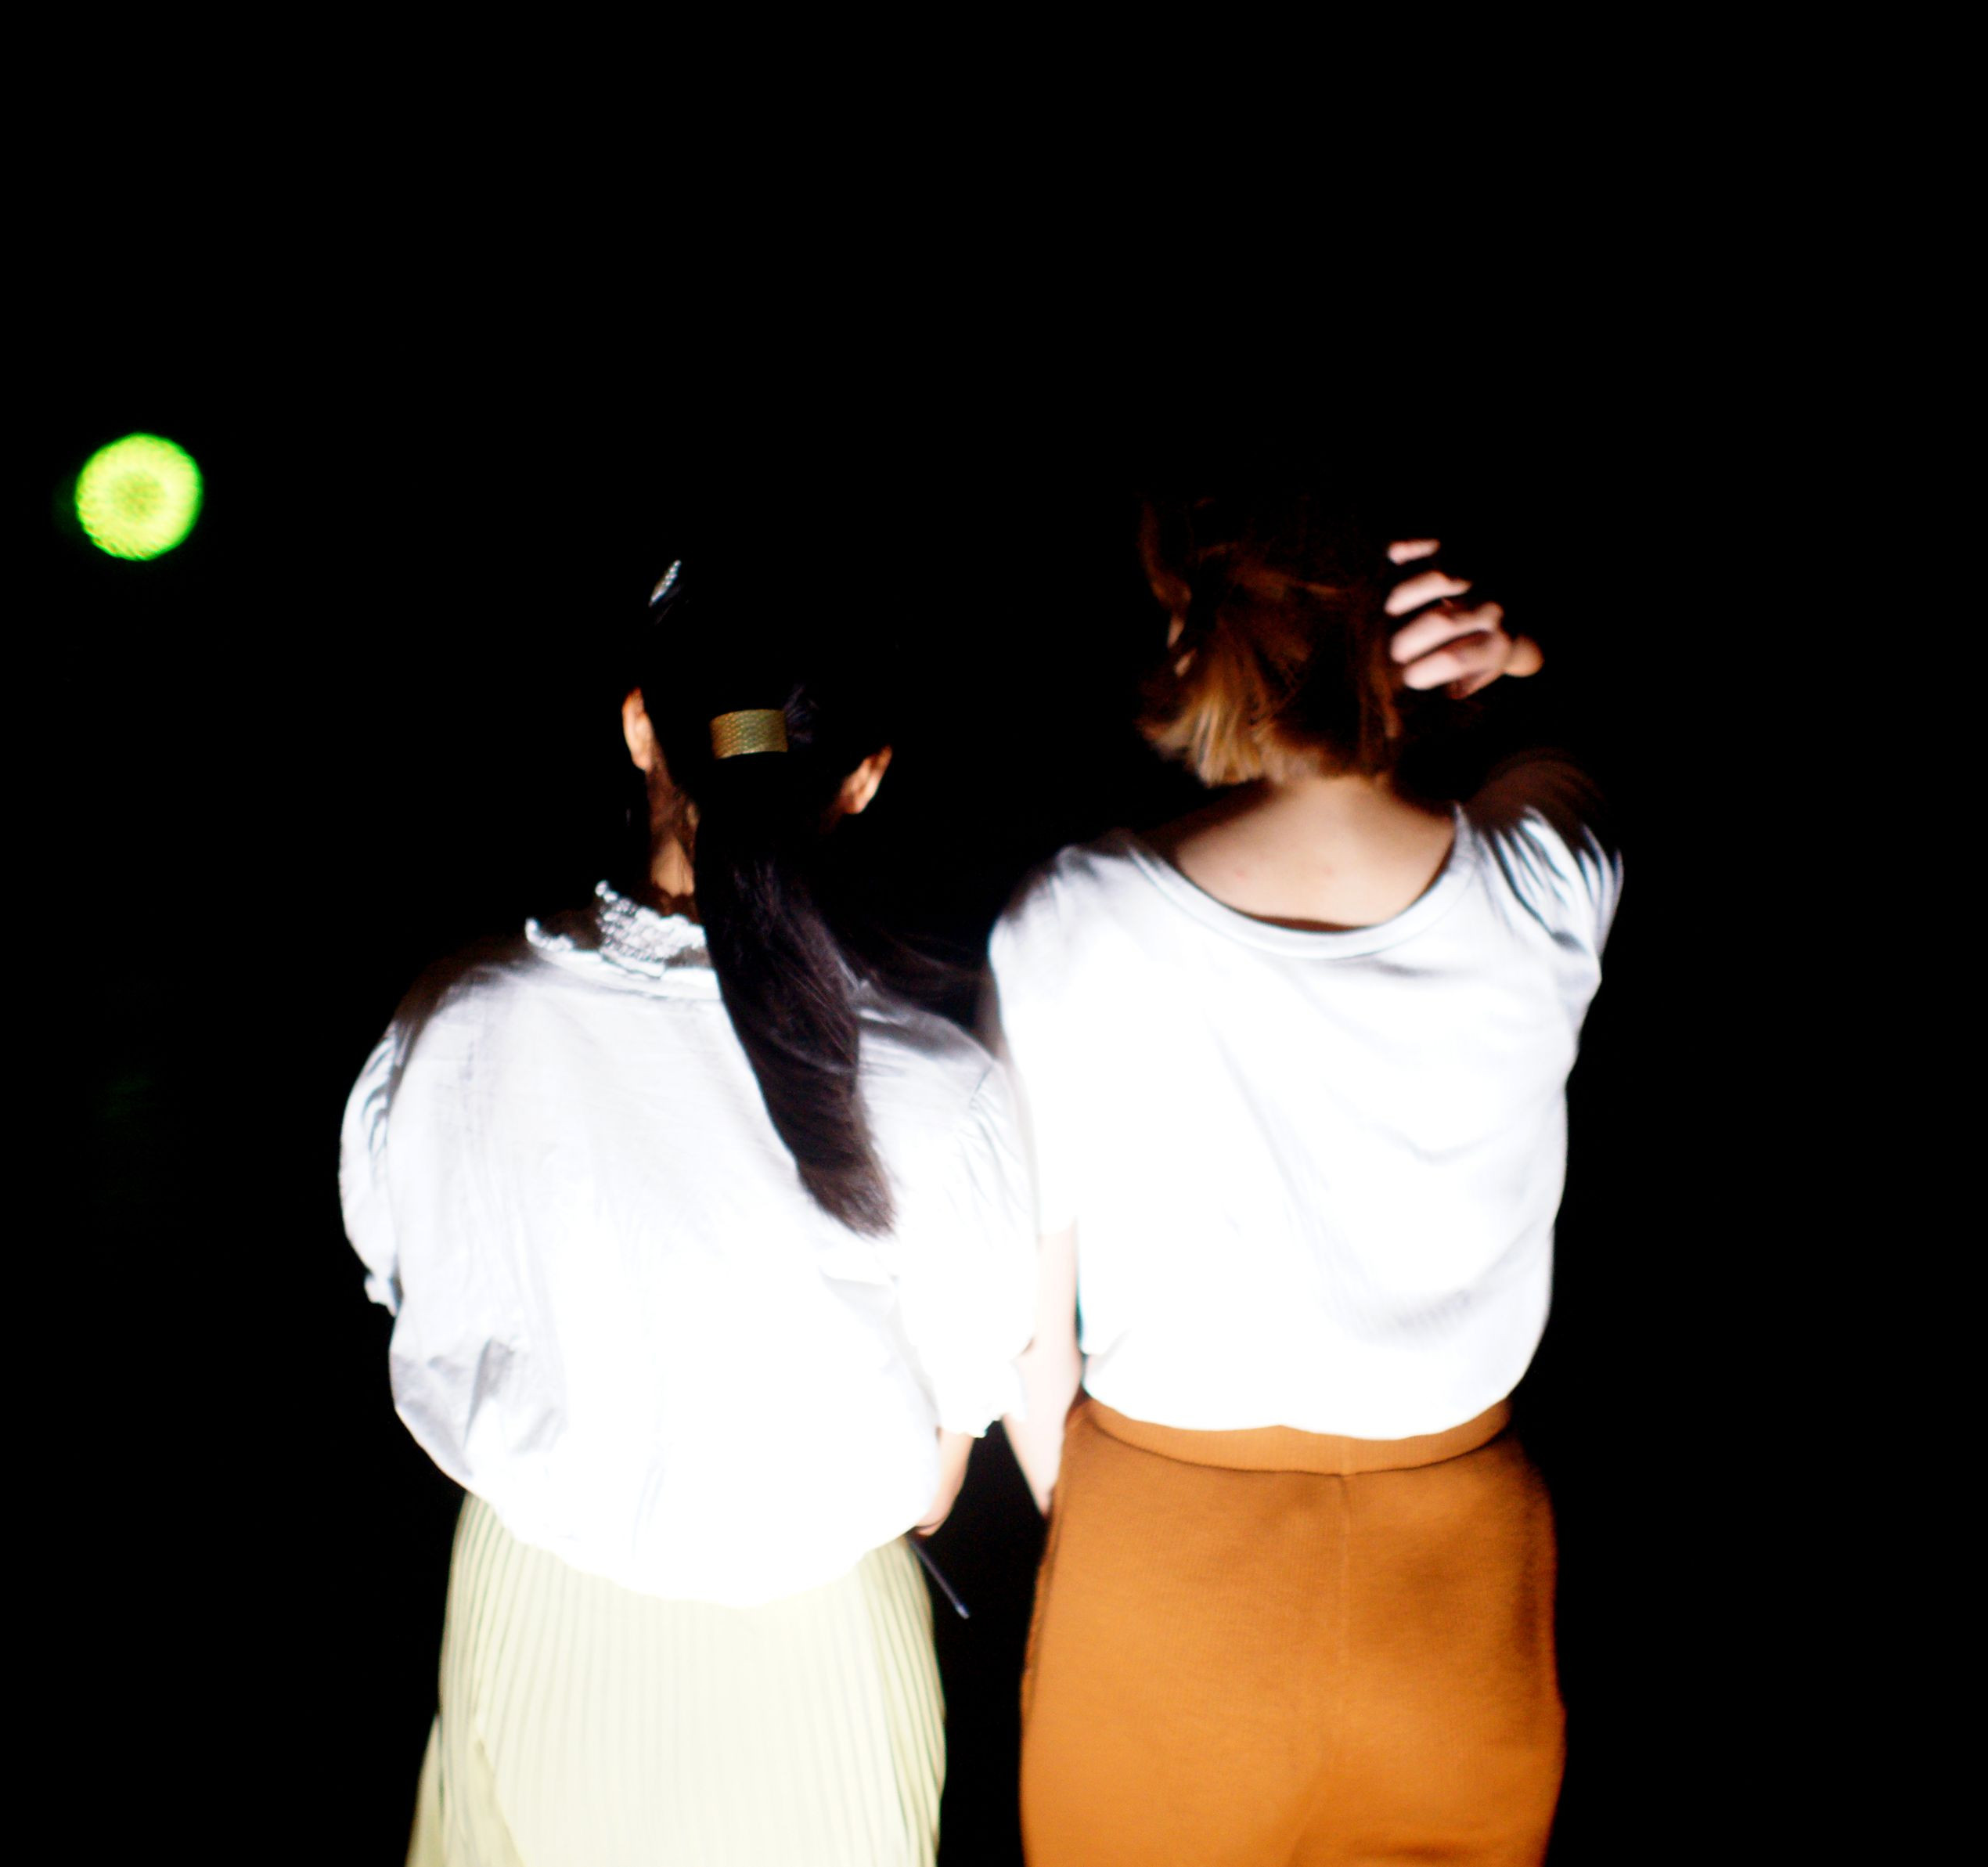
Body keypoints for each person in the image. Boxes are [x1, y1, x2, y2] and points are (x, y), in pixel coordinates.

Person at [339, 552, 1035, 1867]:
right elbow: (939, 1477)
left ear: (640, 726)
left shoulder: (457, 1022)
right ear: (864, 776)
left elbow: (410, 1289)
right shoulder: (936, 1091)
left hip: (536, 1607)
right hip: (814, 1647)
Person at [990, 497, 1611, 1866]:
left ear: (1197, 633)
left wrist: (1109, 1535)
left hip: (1168, 1549)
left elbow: (1026, 1329)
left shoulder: (1075, 917)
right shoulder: (1544, 881)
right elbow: (1573, 745)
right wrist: (1508, 665)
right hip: (1455, 1578)